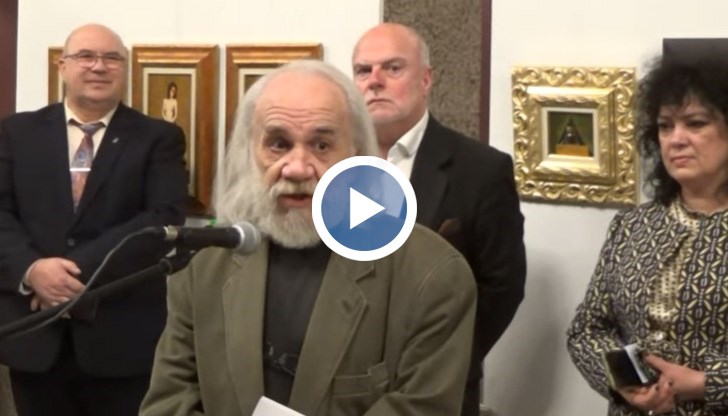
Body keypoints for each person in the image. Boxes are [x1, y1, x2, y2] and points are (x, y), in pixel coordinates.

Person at [140, 60, 477, 416]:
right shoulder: (204, 263)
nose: (297, 168)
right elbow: (169, 401)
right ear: (248, 151)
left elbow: (421, 408)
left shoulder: (432, 273)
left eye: (321, 145)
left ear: (357, 152)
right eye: (278, 144)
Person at [0, 23, 187, 416]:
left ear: (125, 68)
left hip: (121, 338)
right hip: (34, 333)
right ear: (62, 65)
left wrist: (67, 275)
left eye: (111, 58)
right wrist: (33, 270)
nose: (99, 67)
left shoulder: (159, 138)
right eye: (86, 56)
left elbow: (162, 218)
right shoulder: (16, 132)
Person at [351, 23, 526, 416]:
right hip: (341, 388)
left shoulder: (480, 170)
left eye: (392, 68)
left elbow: (502, 286)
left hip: (437, 389)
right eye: (363, 71)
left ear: (426, 79)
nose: (375, 81)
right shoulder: (331, 165)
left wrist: (443, 360)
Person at [567, 56, 728, 415]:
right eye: (665, 127)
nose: (676, 139)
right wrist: (626, 385)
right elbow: (587, 330)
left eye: (696, 123)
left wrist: (708, 384)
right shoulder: (632, 226)